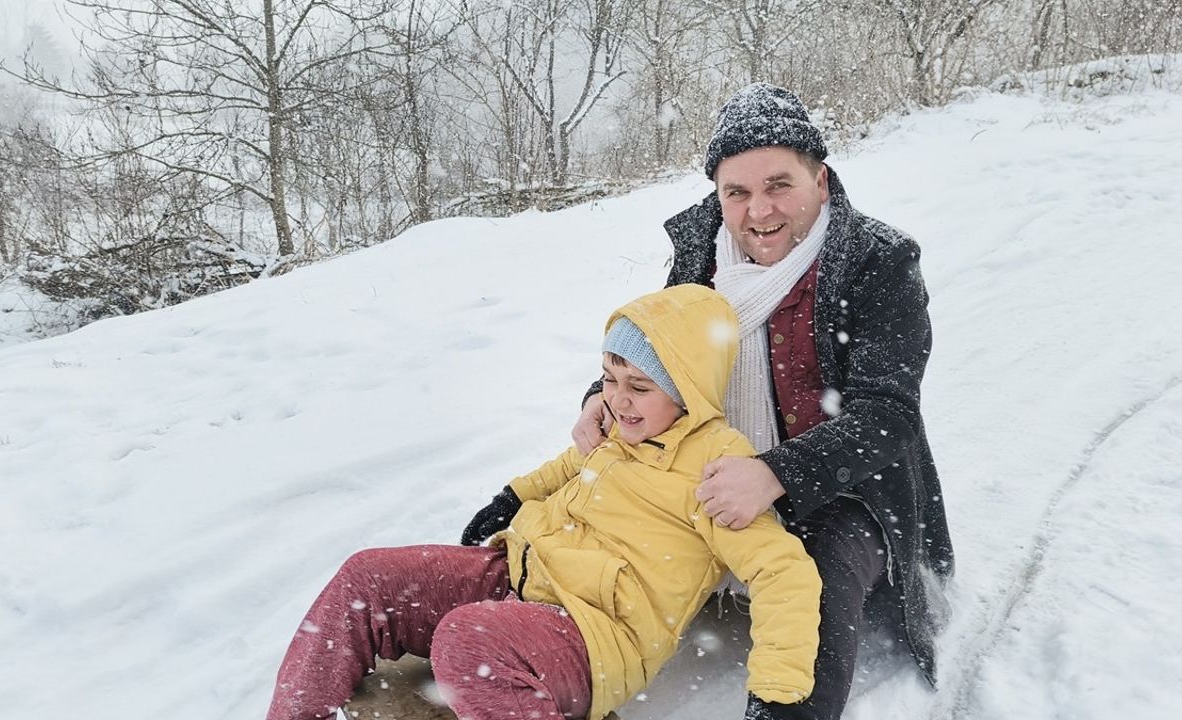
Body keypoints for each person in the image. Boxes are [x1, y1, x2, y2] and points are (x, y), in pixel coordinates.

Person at [571, 83, 956, 720]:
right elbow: (659, 344)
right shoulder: (702, 250)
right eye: (738, 192)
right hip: (709, 466)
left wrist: (775, 472)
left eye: (780, 184)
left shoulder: (876, 261)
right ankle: (534, 667)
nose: (758, 211)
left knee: (815, 589)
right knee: (594, 538)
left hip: (841, 486)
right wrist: (599, 399)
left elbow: (887, 418)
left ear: (821, 181)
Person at [266, 283, 822, 720]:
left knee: (468, 641)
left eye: (640, 386)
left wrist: (779, 699)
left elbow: (783, 573)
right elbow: (569, 466)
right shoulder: (617, 430)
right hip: (520, 575)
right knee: (368, 578)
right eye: (609, 378)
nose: (618, 400)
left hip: (593, 636)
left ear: (688, 388)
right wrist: (512, 498)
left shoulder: (717, 466)